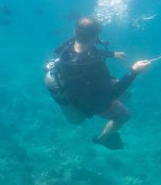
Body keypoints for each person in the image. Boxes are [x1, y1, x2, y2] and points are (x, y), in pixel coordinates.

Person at [45, 17, 150, 150]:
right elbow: (111, 94)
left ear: (75, 32)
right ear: (95, 37)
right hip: (95, 103)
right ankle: (102, 139)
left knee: (125, 94)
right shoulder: (94, 68)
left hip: (79, 91)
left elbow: (86, 52)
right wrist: (133, 71)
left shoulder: (66, 47)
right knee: (125, 115)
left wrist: (111, 54)